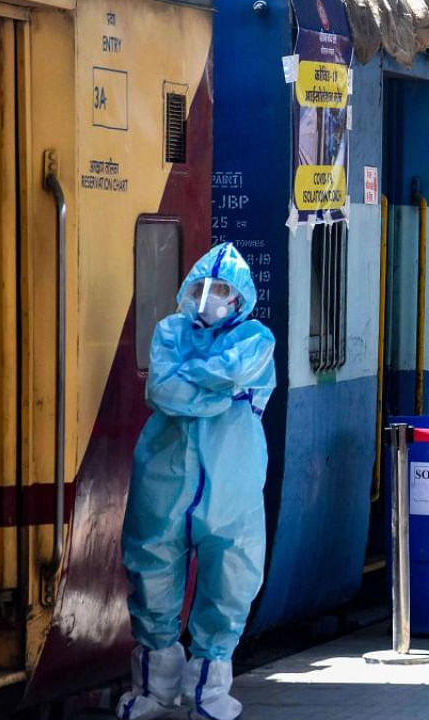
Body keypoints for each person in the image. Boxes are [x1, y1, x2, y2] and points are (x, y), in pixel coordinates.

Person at [118, 242, 276, 720]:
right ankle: (154, 690)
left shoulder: (256, 339)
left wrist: (192, 382)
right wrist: (218, 393)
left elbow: (200, 381)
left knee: (229, 583)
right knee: (151, 575)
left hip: (232, 488)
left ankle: (209, 692)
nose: (210, 296)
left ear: (240, 297)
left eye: (222, 289)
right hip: (163, 485)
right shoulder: (170, 331)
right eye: (204, 287)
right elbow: (161, 388)